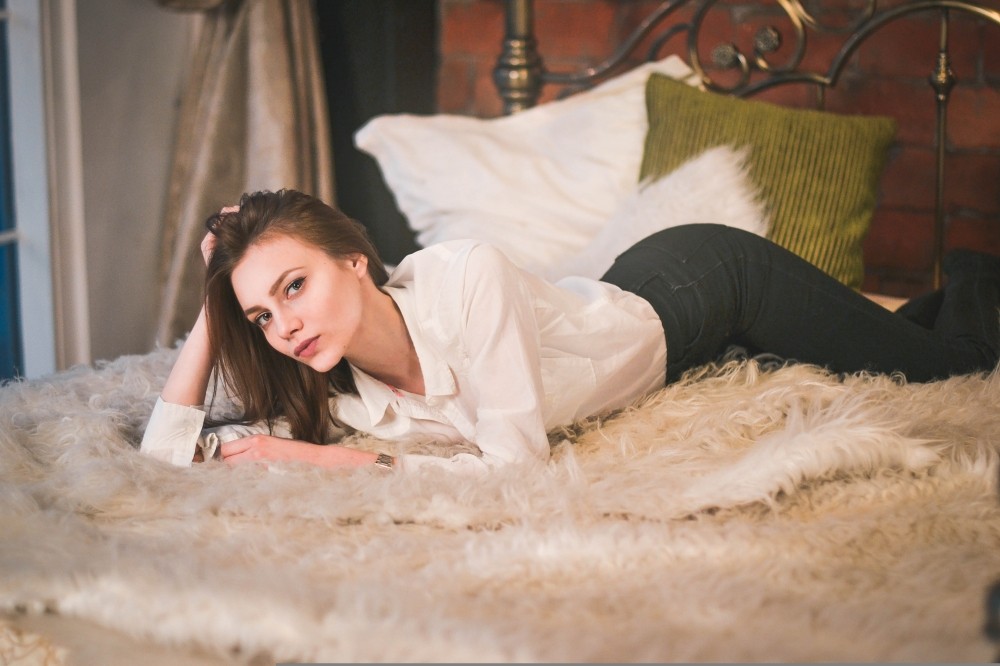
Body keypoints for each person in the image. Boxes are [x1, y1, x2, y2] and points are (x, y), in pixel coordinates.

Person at [139, 188, 1000, 473]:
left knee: (953, 368)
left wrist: (315, 462)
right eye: (262, 315)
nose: (284, 325)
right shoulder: (336, 394)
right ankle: (899, 317)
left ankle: (975, 273)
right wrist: (218, 306)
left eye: (295, 286)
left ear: (355, 261)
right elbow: (164, 457)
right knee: (873, 342)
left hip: (704, 287)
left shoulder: (465, 276)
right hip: (625, 316)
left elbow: (515, 469)